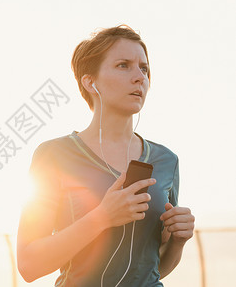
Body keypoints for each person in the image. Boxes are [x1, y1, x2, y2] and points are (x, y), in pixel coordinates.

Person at [16, 25, 195, 287]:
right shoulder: (54, 155)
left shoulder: (166, 160)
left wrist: (178, 242)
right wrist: (102, 218)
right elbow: (29, 265)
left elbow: (151, 268)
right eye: (124, 65)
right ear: (90, 82)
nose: (139, 77)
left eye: (144, 68)